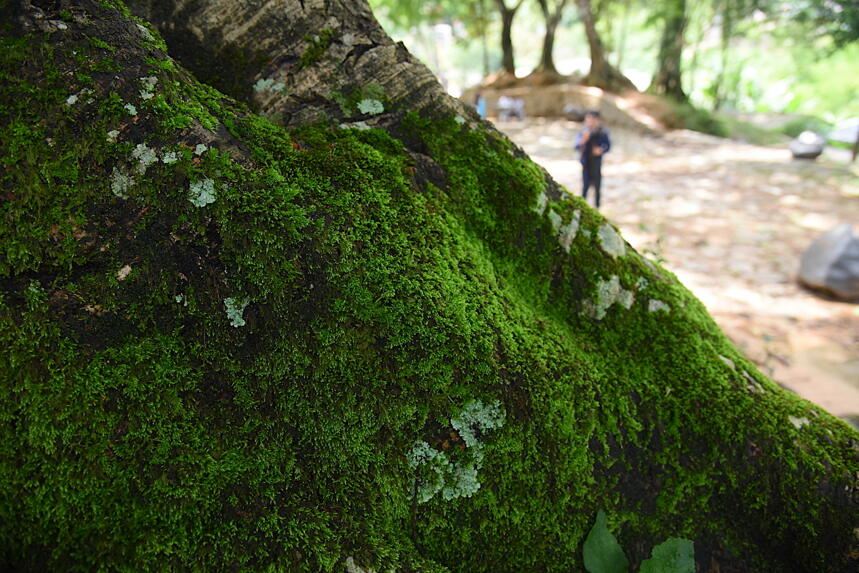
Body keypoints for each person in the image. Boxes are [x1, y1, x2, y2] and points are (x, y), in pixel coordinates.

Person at [574, 110, 611, 209]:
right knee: (585, 186)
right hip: (586, 163)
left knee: (597, 187)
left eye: (593, 119)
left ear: (598, 120)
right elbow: (576, 146)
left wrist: (601, 150)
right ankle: (582, 207)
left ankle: (597, 207)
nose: (591, 122)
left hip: (596, 163)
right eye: (588, 119)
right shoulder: (583, 132)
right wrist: (583, 140)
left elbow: (608, 146)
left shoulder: (602, 133)